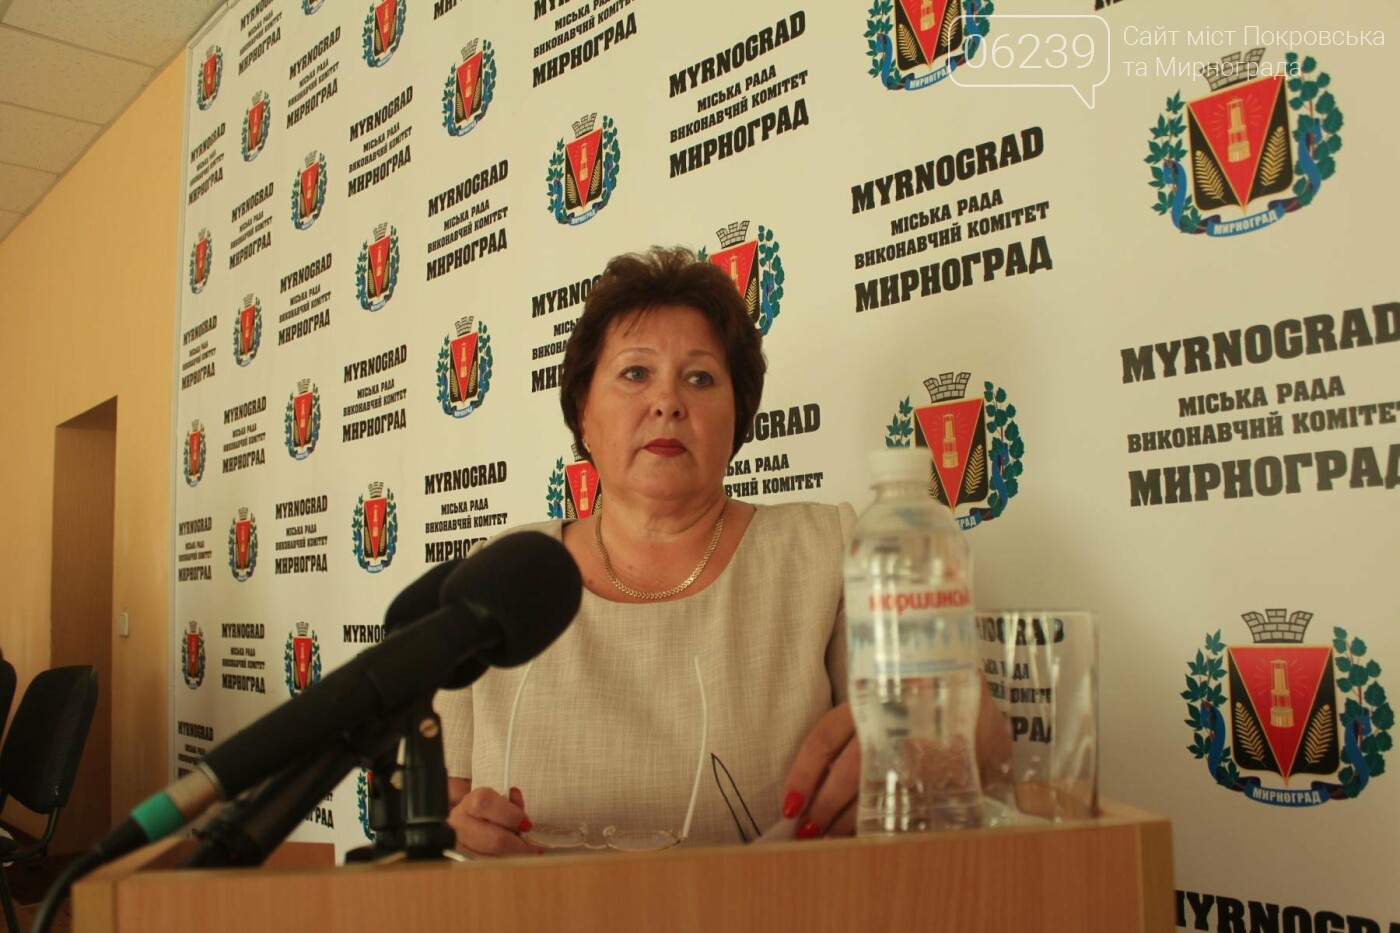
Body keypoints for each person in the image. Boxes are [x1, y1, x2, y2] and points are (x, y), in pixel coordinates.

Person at [436, 246, 860, 855]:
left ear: (737, 418)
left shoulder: (824, 552)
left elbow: (948, 744)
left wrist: (921, 744)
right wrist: (455, 833)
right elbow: (445, 805)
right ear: (583, 411)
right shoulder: (500, 574)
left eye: (700, 378)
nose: (668, 402)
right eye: (635, 373)